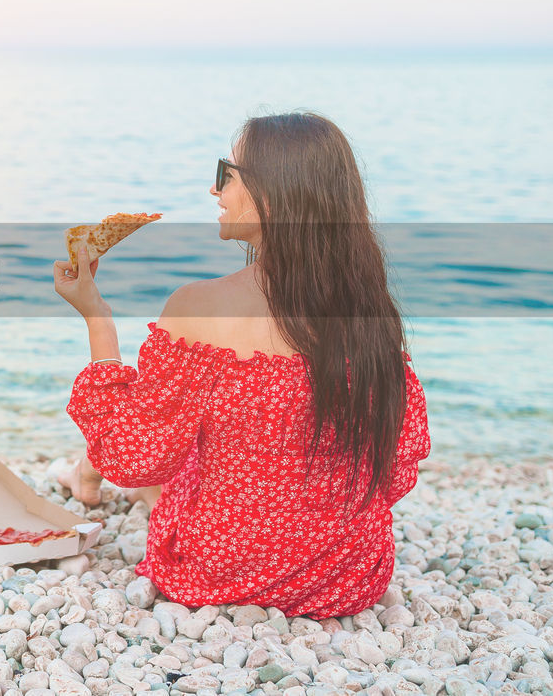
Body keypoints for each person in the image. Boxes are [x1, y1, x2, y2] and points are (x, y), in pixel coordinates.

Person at [51, 111, 430, 618]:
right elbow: (393, 470)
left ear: (272, 193)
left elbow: (133, 454)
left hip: (221, 569)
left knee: (169, 444)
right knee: (218, 440)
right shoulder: (369, 312)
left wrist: (97, 317)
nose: (215, 191)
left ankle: (82, 473)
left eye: (226, 174)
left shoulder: (197, 306)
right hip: (347, 573)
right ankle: (82, 474)